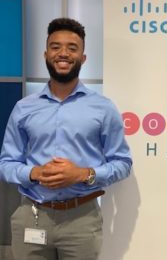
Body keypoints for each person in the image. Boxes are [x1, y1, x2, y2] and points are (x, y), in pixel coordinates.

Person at [0, 17, 132, 260]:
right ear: (45, 54)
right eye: (55, 46)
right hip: (32, 214)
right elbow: (6, 164)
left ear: (83, 58)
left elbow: (123, 163)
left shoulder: (102, 108)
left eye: (72, 48)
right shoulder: (23, 108)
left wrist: (83, 174)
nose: (63, 53)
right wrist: (34, 173)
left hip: (82, 219)